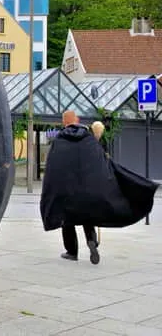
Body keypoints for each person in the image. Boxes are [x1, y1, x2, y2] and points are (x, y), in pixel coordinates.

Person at [42, 111, 159, 265]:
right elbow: (101, 163)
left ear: (64, 122)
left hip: (68, 191)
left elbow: (54, 167)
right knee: (87, 216)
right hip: (87, 190)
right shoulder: (89, 139)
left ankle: (72, 252)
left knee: (67, 219)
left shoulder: (59, 140)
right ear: (77, 120)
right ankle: (91, 241)